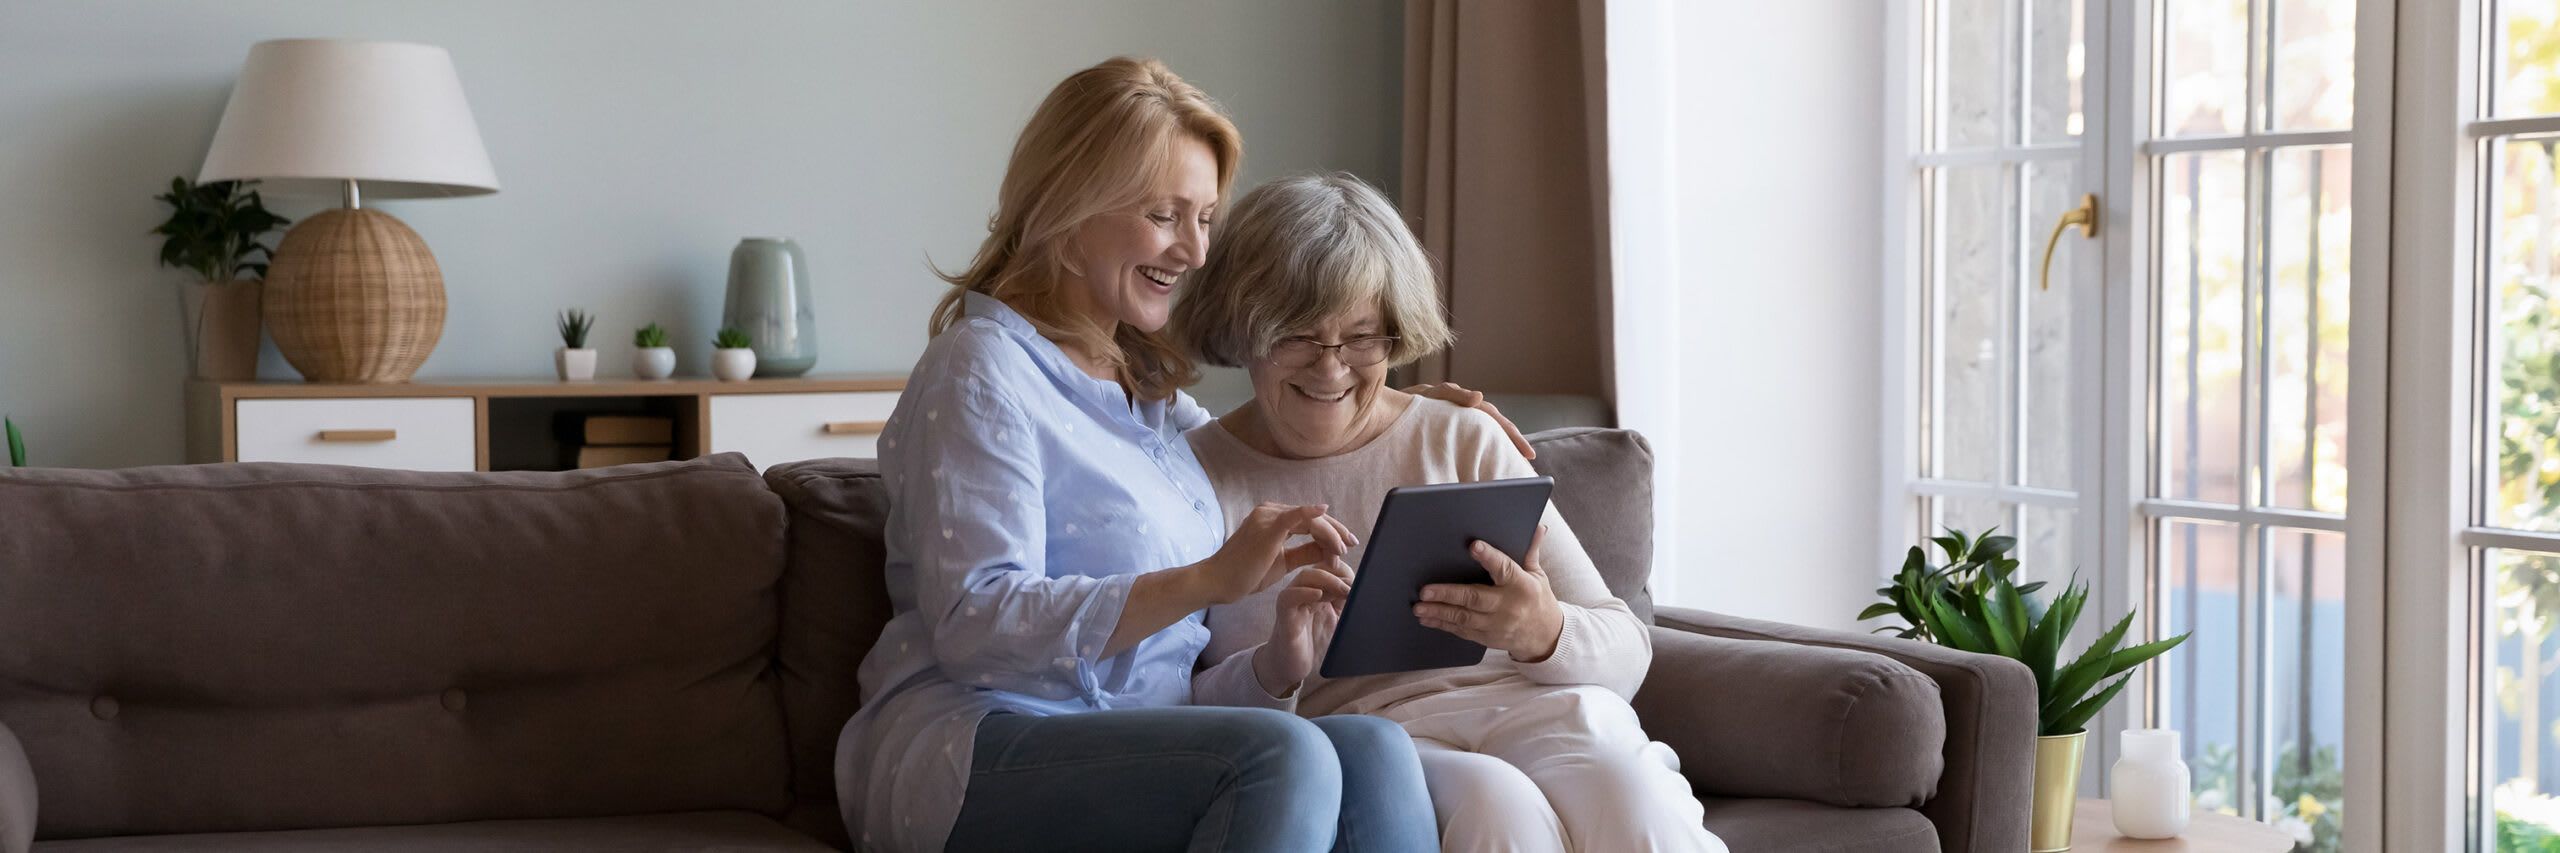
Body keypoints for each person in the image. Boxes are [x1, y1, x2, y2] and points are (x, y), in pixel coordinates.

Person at [839, 58, 1510, 853]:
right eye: (1166, 215)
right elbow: (974, 622)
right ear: (1069, 205)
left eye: (1206, 219)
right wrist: (1205, 580)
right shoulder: (982, 369)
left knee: (1371, 746)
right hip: (975, 749)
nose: (1194, 252)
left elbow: (1280, 427)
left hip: (1131, 741)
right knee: (1281, 752)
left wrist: (1411, 408)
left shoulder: (1151, 403)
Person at [1168, 172, 1730, 853]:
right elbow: (1177, 712)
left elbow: (1626, 650)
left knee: (1630, 794)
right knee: (1498, 808)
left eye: (1361, 338)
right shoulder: (1193, 474)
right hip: (1377, 740)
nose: (1331, 369)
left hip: (1537, 705)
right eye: (1298, 337)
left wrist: (1542, 628)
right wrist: (1275, 666)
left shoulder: (1461, 436)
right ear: (1245, 328)